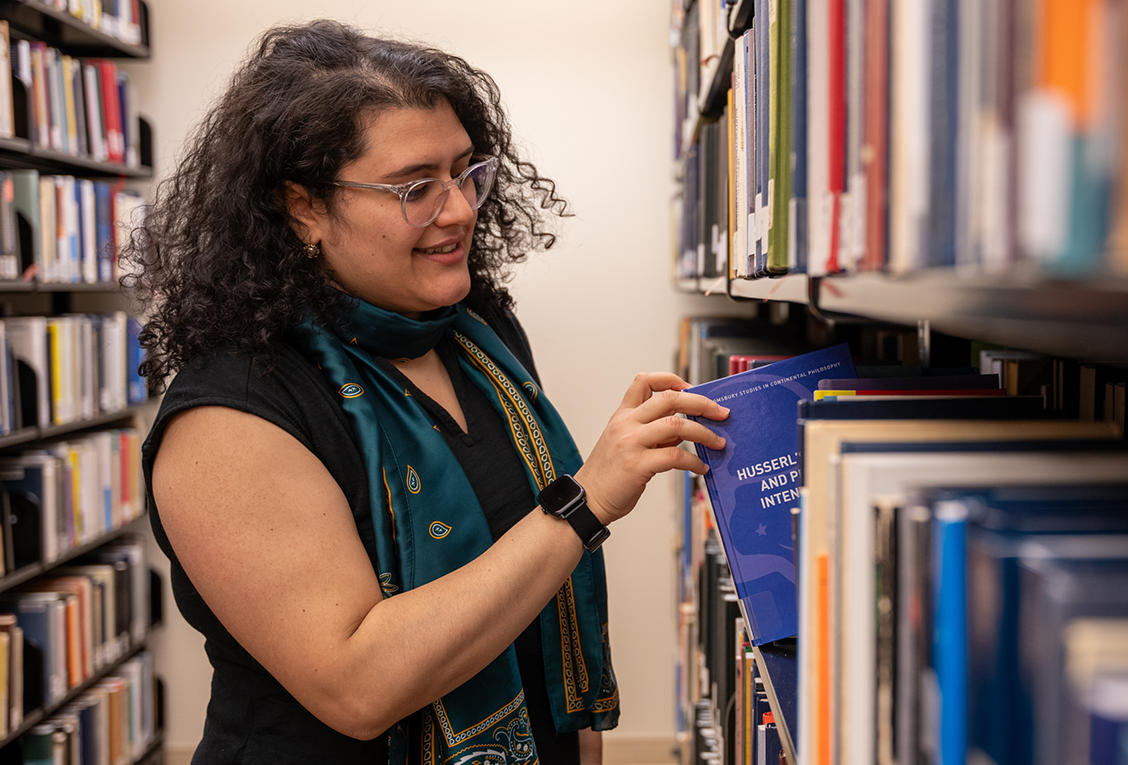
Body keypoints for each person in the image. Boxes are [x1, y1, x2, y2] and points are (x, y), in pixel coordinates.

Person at [128, 19, 727, 765]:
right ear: (303, 207)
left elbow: (539, 607)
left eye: (467, 171)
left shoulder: (481, 333)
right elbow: (358, 684)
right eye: (415, 187)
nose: (460, 209)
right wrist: (583, 503)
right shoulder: (231, 413)